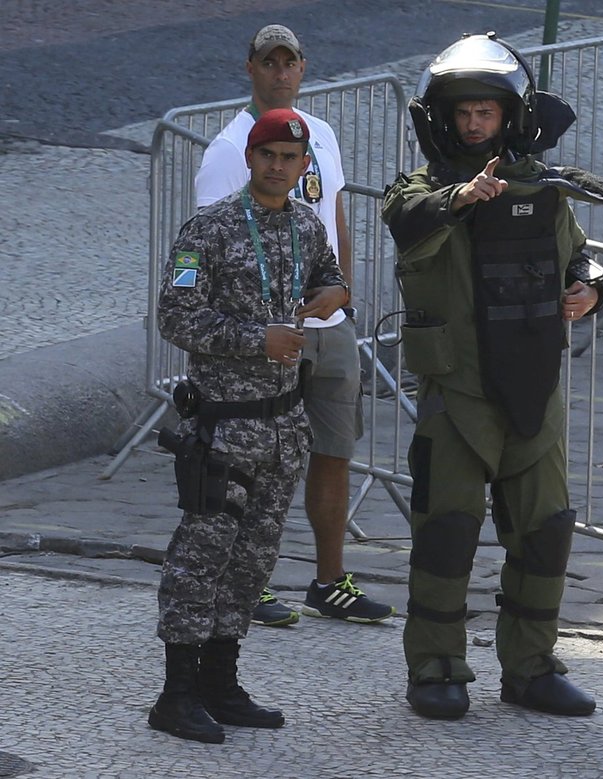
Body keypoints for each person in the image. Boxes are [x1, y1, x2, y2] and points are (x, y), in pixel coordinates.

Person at [381, 32, 603, 720]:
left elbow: (583, 258)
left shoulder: (542, 190)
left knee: (547, 533)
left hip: (534, 394)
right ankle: (435, 666)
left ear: (508, 115)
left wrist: (592, 288)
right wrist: (461, 197)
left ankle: (531, 666)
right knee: (446, 535)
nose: (472, 123)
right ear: (443, 118)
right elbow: (406, 222)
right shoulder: (423, 188)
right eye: (461, 113)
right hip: (457, 396)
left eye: (484, 112)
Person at [150, 109, 351, 743]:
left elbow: (330, 274)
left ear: (300, 167)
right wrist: (253, 341)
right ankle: (176, 693)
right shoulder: (205, 231)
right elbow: (175, 317)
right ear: (251, 158)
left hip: (282, 424)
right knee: (200, 558)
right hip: (225, 426)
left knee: (252, 561)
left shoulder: (305, 225)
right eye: (268, 155)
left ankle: (222, 682)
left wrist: (335, 295)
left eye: (290, 159)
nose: (277, 166)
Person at [195, 23, 394, 627]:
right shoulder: (230, 150)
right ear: (250, 68)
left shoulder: (320, 135)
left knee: (333, 450)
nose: (281, 72)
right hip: (261, 333)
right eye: (269, 62)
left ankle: (330, 580)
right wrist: (248, 331)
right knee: (253, 457)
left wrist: (345, 299)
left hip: (327, 324)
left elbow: (333, 211)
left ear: (303, 68)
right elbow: (205, 246)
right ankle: (244, 578)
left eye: (291, 62)